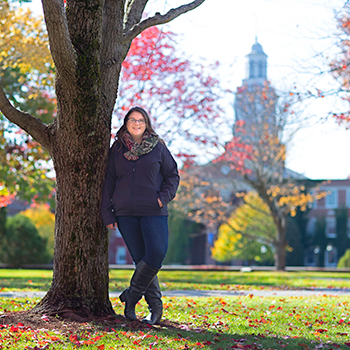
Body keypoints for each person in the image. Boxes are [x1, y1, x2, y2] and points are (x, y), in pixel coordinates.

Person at [101, 106, 180, 325]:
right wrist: (107, 213)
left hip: (153, 210)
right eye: (132, 120)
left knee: (156, 254)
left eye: (141, 120)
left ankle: (131, 297)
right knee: (141, 260)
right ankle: (155, 307)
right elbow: (108, 182)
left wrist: (162, 198)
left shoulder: (158, 148)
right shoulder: (116, 150)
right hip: (125, 213)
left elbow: (172, 175)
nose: (137, 123)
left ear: (147, 124)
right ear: (126, 123)